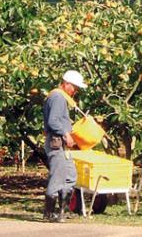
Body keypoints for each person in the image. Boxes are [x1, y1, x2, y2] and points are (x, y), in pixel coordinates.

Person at [42, 70, 87, 222]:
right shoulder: (58, 97)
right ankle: (48, 214)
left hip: (62, 145)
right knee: (58, 178)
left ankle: (62, 211)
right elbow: (53, 121)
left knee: (70, 177)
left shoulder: (60, 97)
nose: (75, 90)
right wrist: (66, 134)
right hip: (57, 142)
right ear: (66, 84)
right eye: (74, 87)